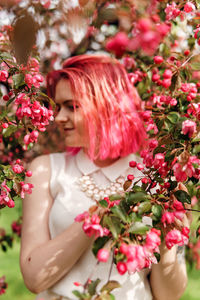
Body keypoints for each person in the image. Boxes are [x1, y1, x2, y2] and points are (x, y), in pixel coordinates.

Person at [20, 55, 189, 300]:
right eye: (58, 107)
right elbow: (34, 278)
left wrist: (167, 242)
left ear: (107, 105)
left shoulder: (154, 179)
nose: (58, 117)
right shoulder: (46, 170)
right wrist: (96, 217)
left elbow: (168, 295)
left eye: (72, 106)